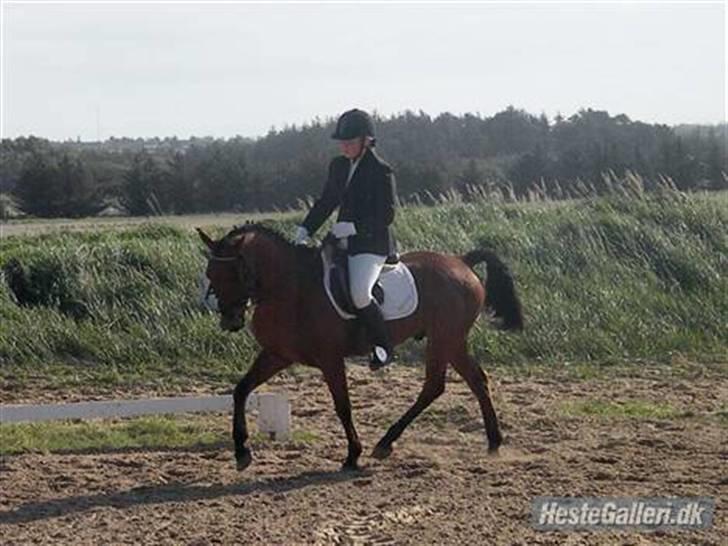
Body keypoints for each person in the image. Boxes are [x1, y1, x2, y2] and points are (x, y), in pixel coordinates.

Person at [294, 108, 397, 368]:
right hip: (339, 240)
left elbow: (386, 214)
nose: (344, 146)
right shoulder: (338, 166)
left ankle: (382, 346)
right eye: (342, 142)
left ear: (366, 141)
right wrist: (305, 229)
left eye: (349, 142)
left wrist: (354, 228)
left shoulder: (380, 170)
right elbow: (327, 201)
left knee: (360, 293)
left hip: (371, 245)